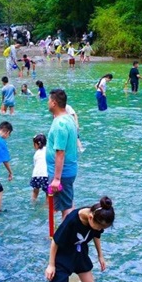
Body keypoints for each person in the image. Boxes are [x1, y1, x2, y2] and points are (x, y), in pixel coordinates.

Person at [45, 196, 115, 282]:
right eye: (99, 227)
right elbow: (55, 241)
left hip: (80, 253)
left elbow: (96, 235)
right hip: (63, 255)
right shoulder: (72, 220)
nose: (100, 230)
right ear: (90, 217)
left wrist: (100, 255)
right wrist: (51, 265)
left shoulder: (98, 217)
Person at [46, 89, 78, 220]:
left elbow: (60, 152)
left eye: (49, 100)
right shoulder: (68, 118)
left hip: (61, 173)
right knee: (67, 202)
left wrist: (57, 179)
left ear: (54, 103)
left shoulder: (60, 124)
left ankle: (66, 231)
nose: (47, 103)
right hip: (66, 171)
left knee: (66, 208)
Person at [30, 134, 48, 202]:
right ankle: (46, 206)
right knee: (48, 194)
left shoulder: (36, 153)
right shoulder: (49, 151)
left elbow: (35, 165)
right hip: (46, 175)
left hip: (36, 175)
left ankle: (33, 202)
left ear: (35, 144)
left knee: (35, 191)